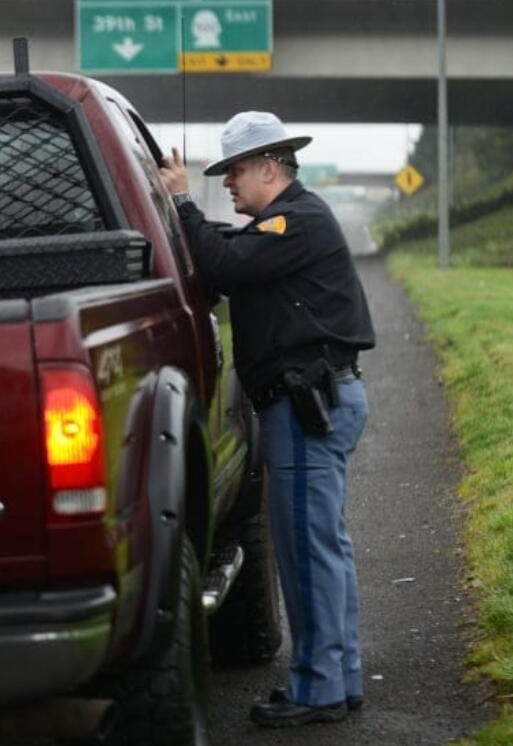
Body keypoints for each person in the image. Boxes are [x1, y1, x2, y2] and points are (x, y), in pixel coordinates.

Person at [158, 111, 375, 729]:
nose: (227, 182)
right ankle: (340, 677)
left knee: (308, 553)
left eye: (235, 172)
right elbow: (233, 254)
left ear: (270, 169)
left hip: (306, 408)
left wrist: (180, 204)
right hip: (316, 402)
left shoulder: (293, 221)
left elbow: (224, 266)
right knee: (323, 548)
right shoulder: (285, 224)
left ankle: (317, 690)